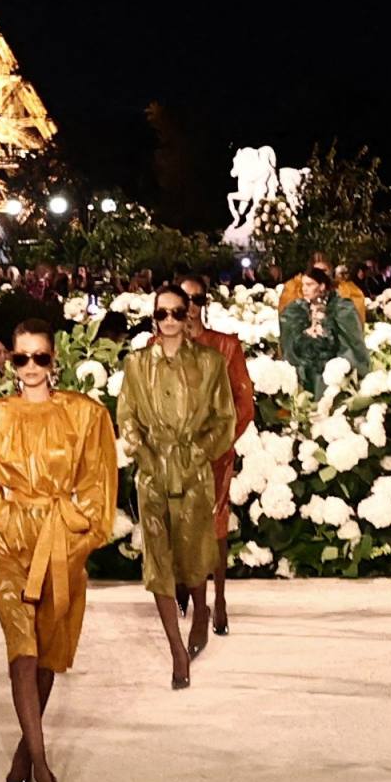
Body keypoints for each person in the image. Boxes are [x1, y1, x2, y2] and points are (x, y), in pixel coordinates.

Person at [0, 318, 116, 782]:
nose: (29, 368)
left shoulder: (85, 416)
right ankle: (45, 769)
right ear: (7, 360)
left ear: (55, 360)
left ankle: (24, 752)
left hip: (59, 539)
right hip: (8, 540)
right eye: (20, 358)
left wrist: (80, 533)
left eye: (40, 358)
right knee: (21, 652)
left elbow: (100, 482)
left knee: (48, 650)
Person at [116, 285, 240, 686]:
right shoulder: (136, 364)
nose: (168, 320)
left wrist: (200, 453)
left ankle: (201, 611)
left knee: (195, 552)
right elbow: (127, 416)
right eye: (161, 314)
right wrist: (143, 452)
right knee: (158, 563)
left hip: (193, 471)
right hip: (153, 474)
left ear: (188, 315)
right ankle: (176, 651)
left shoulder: (209, 362)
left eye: (175, 312)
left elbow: (225, 418)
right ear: (153, 317)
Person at [177, 270, 258, 636]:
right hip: (174, 453)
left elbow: (244, 401)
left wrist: (223, 438)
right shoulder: (155, 347)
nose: (189, 308)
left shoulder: (225, 346)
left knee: (215, 523)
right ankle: (188, 588)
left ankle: (218, 599)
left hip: (215, 450)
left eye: (196, 300)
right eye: (183, 301)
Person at [278, 262, 367, 404]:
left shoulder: (341, 307)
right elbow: (289, 339)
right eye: (303, 285)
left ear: (322, 286)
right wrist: (304, 334)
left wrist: (326, 331)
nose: (305, 289)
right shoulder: (297, 308)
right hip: (304, 367)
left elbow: (351, 341)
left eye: (310, 284)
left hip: (331, 369)